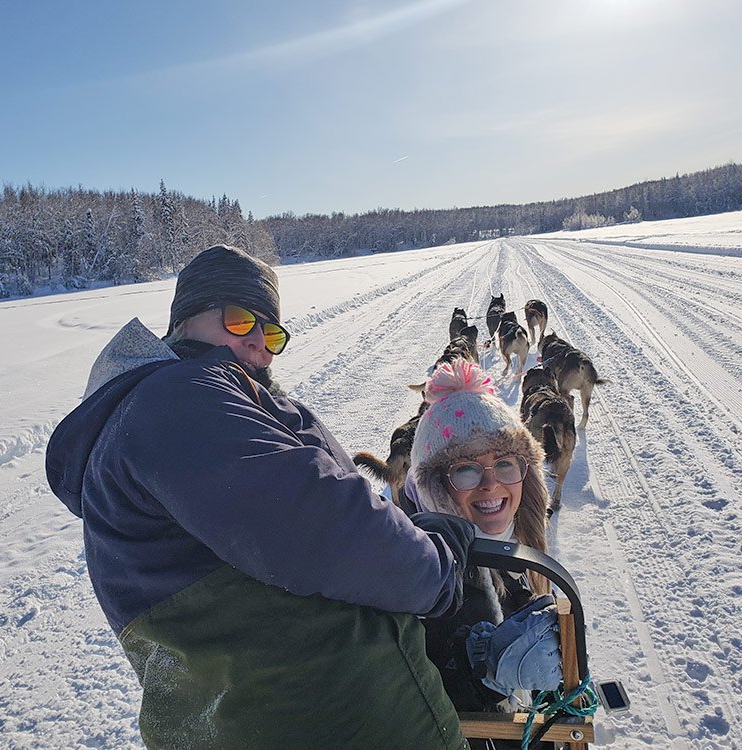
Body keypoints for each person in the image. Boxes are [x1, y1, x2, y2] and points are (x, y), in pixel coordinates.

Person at [45, 245, 476, 749]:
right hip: (332, 722)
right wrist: (438, 569)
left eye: (271, 333)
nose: (259, 345)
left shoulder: (163, 410)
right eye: (238, 319)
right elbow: (322, 523)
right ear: (185, 319)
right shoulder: (177, 399)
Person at [405, 358, 561, 715]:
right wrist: (483, 677)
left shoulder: (518, 559)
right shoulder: (428, 587)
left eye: (505, 462)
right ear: (435, 488)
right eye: (465, 469)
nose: (491, 484)